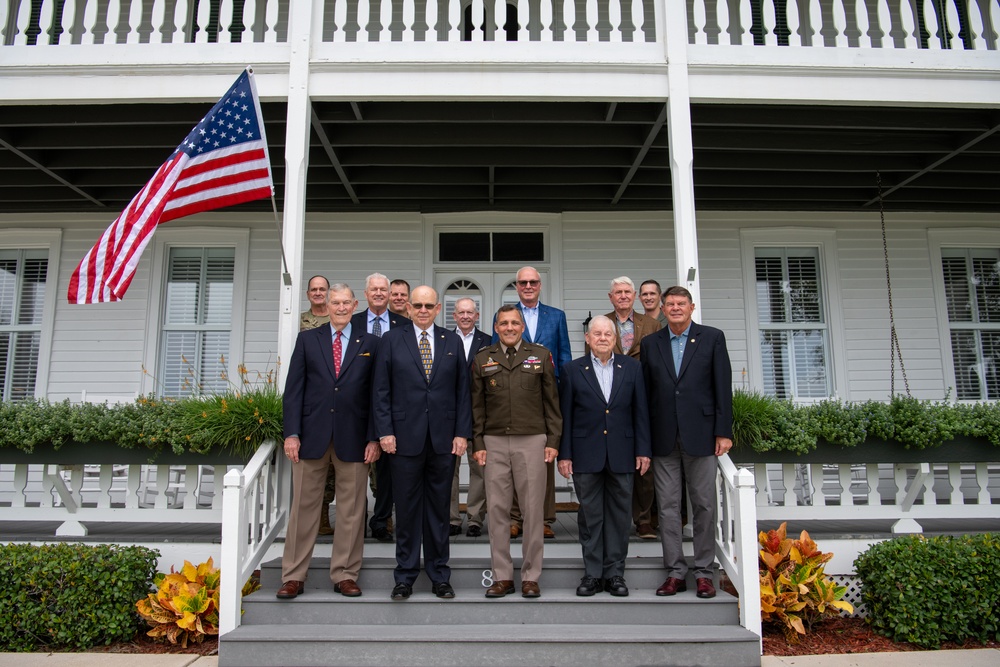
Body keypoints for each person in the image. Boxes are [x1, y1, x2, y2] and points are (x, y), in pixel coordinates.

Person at [277, 283, 381, 600]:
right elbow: (293, 391)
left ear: (354, 305)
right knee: (304, 509)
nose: (339, 307)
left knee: (351, 510)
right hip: (311, 436)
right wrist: (291, 433)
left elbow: (378, 394)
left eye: (345, 302)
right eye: (334, 302)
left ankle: (345, 574)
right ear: (329, 305)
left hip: (355, 438)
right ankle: (293, 575)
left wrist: (374, 437)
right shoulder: (308, 339)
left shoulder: (371, 343)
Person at [373, 286, 472, 600]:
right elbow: (381, 391)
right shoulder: (391, 339)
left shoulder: (452, 340)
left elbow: (462, 393)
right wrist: (385, 432)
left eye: (429, 305)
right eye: (417, 305)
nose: (423, 309)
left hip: (443, 440)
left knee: (440, 511)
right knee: (406, 509)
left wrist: (461, 433)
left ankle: (440, 575)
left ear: (439, 307)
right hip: (403, 440)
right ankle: (404, 576)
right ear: (409, 307)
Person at [640, 285, 733, 600]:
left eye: (682, 303)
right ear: (663, 309)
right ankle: (675, 572)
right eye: (670, 304)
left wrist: (723, 431)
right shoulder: (651, 344)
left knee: (704, 505)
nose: (676, 308)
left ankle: (704, 572)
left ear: (692, 307)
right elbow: (646, 395)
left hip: (702, 435)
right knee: (667, 507)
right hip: (663, 437)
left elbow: (723, 386)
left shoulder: (712, 338)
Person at [472, 305, 561, 599]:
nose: (509, 327)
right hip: (494, 441)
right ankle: (502, 576)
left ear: (522, 327)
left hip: (532, 440)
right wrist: (478, 443)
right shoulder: (483, 358)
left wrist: (553, 441)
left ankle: (531, 576)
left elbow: (552, 403)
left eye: (514, 323)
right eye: (503, 323)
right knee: (497, 510)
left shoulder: (541, 356)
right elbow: (477, 407)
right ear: (496, 327)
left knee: (533, 510)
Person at [558, 315, 651, 597]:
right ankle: (592, 574)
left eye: (607, 334)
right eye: (596, 333)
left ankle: (615, 575)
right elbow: (566, 416)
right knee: (590, 516)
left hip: (623, 453)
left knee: (620, 517)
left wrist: (643, 450)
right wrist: (565, 455)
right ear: (587, 338)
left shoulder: (632, 368)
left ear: (615, 339)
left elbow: (641, 412)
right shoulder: (572, 370)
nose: (601, 338)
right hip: (586, 454)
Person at [499, 266, 571, 539]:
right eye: (522, 282)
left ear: (540, 285)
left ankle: (543, 518)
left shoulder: (556, 316)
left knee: (544, 457)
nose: (528, 286)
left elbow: (564, 356)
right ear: (516, 286)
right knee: (513, 458)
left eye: (533, 282)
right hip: (511, 397)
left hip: (545, 397)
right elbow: (498, 353)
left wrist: (562, 393)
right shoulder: (506, 316)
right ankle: (515, 517)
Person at [597, 276, 661, 541]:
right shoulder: (601, 324)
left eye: (627, 292)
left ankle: (644, 520)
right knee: (615, 459)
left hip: (643, 395)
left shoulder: (652, 324)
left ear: (634, 296)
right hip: (610, 399)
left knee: (644, 460)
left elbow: (659, 361)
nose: (622, 296)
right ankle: (617, 518)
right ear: (610, 297)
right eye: (617, 292)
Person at [351, 272, 407, 543]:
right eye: (374, 289)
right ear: (366, 293)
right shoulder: (353, 322)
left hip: (391, 404)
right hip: (357, 404)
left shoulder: (403, 324)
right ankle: (354, 524)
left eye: (383, 289)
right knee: (355, 468)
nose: (379, 293)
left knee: (386, 470)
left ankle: (381, 520)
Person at [449, 297, 491, 538]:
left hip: (478, 414)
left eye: (470, 313)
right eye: (461, 312)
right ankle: (452, 518)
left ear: (476, 316)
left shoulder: (487, 342)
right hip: (449, 415)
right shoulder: (445, 339)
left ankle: (475, 518)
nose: (465, 316)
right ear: (454, 316)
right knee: (448, 469)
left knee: (479, 468)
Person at [298, 275, 337, 537]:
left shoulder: (339, 320)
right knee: (316, 474)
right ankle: (320, 520)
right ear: (308, 293)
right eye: (314, 289)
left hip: (340, 405)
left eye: (323, 289)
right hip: (315, 401)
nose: (318, 293)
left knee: (337, 472)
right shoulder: (299, 320)